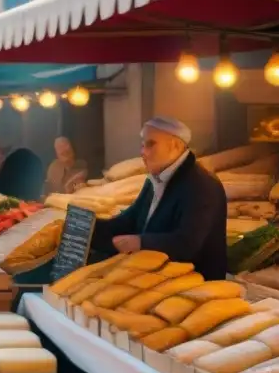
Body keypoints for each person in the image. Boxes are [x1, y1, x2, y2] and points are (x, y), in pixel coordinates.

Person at [91, 117, 228, 280]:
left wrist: (141, 242)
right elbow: (131, 219)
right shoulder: (154, 179)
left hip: (196, 284)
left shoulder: (202, 185)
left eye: (150, 144)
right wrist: (91, 227)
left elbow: (188, 244)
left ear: (176, 145)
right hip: (155, 275)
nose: (143, 152)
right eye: (142, 145)